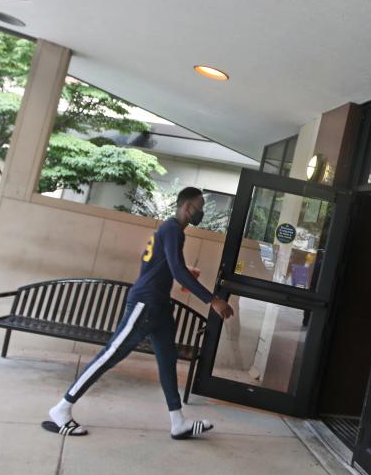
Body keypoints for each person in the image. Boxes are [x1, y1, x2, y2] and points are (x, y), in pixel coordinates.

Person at [42, 187, 235, 439]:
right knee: (111, 353)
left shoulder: (169, 230)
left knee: (167, 361)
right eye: (200, 206)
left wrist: (184, 270)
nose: (202, 211)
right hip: (146, 303)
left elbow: (158, 263)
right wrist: (213, 300)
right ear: (188, 207)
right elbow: (175, 270)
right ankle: (62, 409)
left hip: (160, 307)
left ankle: (178, 422)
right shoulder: (173, 229)